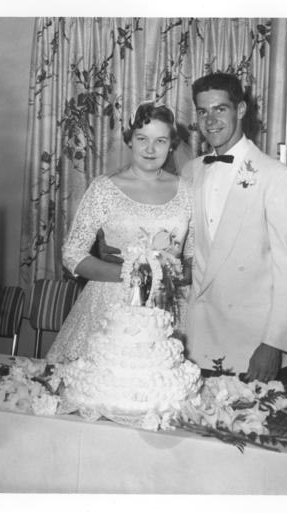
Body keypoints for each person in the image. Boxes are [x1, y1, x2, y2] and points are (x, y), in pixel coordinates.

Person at [180, 72, 287, 382]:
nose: (210, 120)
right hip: (193, 340)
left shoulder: (278, 177)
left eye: (220, 109)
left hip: (249, 346)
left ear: (240, 110)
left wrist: (274, 343)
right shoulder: (190, 171)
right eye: (202, 111)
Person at [46, 102, 193, 363]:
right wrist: (131, 274)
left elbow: (193, 258)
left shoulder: (187, 192)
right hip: (108, 305)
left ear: (172, 144)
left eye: (160, 140)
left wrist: (173, 273)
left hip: (169, 307)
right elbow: (72, 254)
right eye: (142, 139)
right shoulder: (104, 188)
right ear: (129, 141)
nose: (150, 149)